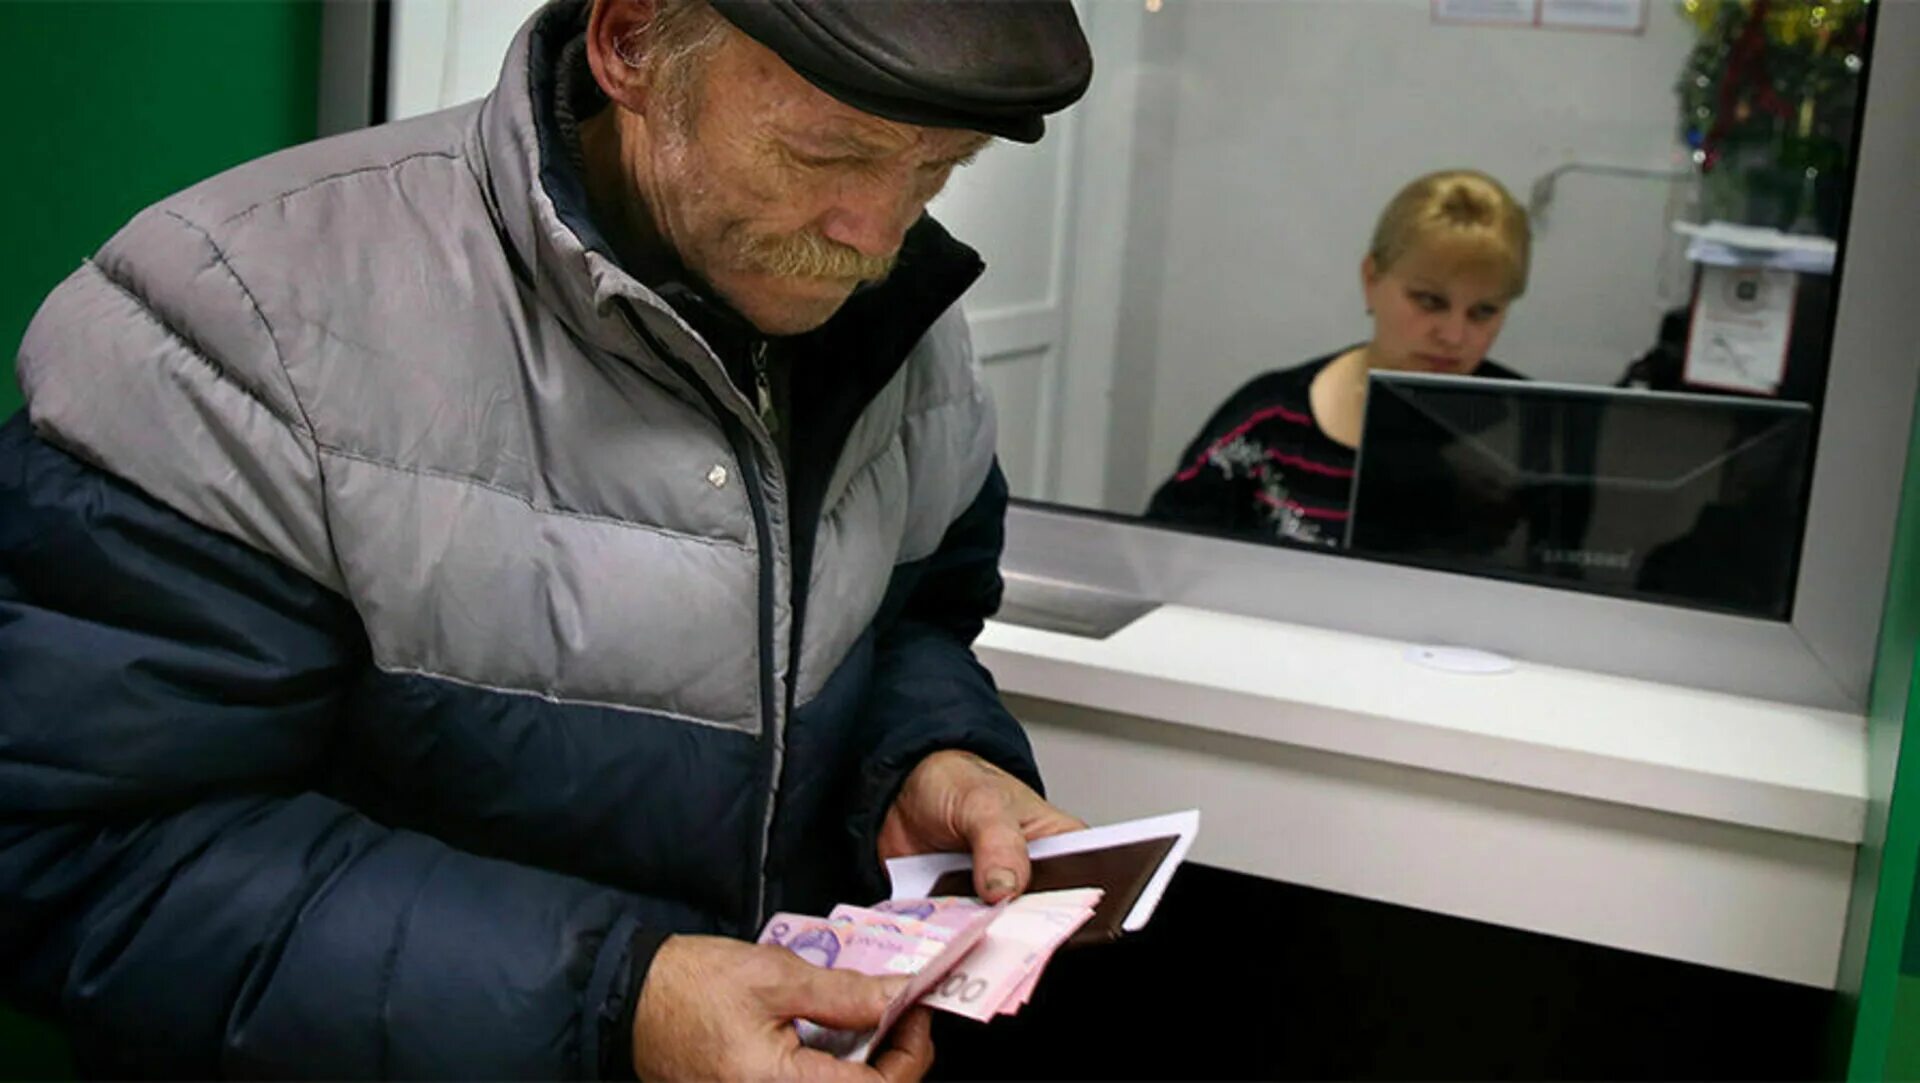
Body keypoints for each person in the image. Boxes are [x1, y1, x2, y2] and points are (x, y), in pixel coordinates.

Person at [0, 0, 1093, 1079]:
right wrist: (620, 1004)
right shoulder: (239, 317)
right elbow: (82, 854)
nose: (877, 236)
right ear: (631, 44)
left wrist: (924, 756)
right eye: (825, 153)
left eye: (938, 169)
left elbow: (911, 622)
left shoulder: (892, 311)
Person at [1144, 169, 1532, 548]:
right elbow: (1158, 558)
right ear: (1371, 279)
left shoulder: (1536, 433)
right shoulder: (1270, 420)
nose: (1453, 335)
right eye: (1429, 301)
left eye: (1483, 312)